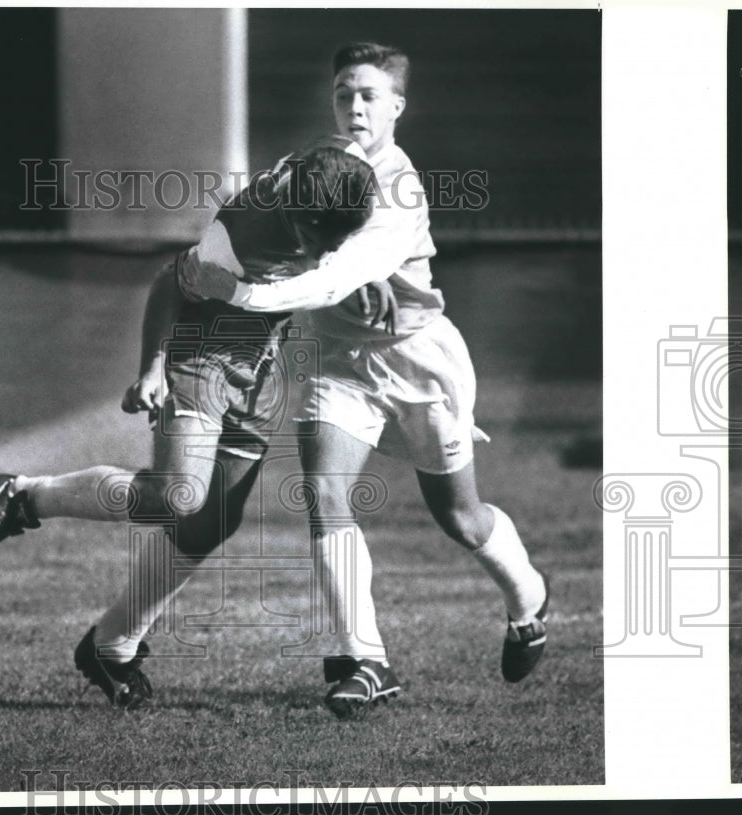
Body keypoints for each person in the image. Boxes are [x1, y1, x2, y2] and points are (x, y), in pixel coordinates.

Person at [180, 42, 550, 720]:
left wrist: (235, 293)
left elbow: (327, 278)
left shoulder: (399, 190)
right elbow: (264, 219)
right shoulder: (314, 165)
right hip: (338, 360)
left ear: (397, 108)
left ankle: (528, 600)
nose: (354, 105)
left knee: (460, 516)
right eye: (345, 92)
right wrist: (219, 249)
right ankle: (366, 659)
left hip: (417, 358)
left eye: (370, 95)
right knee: (324, 493)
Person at [0, 137, 387, 710]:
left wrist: (356, 272)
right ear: (295, 215)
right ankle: (24, 497)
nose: (323, 253)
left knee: (210, 524)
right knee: (179, 497)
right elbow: (168, 281)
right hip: (201, 356)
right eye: (319, 242)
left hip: (259, 369)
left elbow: (322, 246)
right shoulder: (239, 239)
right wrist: (153, 367)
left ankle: (112, 646)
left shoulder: (318, 186)